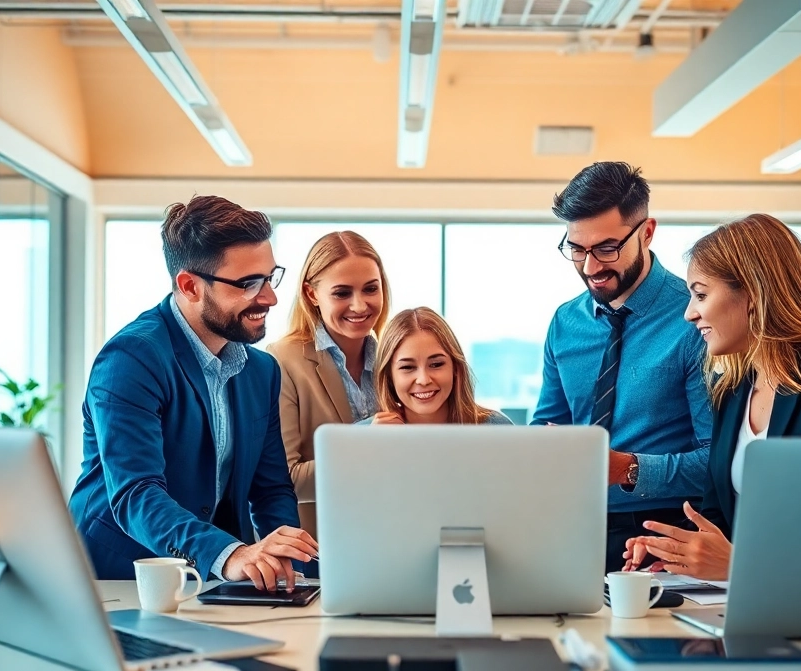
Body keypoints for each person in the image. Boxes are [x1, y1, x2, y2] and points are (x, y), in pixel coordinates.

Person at [623, 213, 801, 580]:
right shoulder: (733, 390)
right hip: (751, 601)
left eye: (701, 295)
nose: (689, 314)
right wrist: (675, 549)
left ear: (753, 294)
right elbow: (719, 522)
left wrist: (742, 565)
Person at [70, 195, 317, 590]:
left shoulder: (262, 370)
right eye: (249, 283)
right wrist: (233, 554)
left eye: (270, 277)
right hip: (115, 580)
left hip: (205, 580)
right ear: (189, 286)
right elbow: (136, 493)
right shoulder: (131, 358)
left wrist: (292, 569)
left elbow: (270, 489)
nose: (269, 297)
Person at [533, 162, 712, 573]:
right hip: (572, 527)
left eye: (607, 248)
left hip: (664, 532)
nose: (591, 267)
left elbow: (717, 461)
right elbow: (547, 433)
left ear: (647, 232)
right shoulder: (565, 323)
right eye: (577, 249)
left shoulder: (697, 318)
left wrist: (628, 469)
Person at [267, 231, 391, 537]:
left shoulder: (394, 357)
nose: (360, 306)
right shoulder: (283, 361)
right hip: (322, 552)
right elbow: (285, 479)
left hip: (393, 536)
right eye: (342, 293)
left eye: (370, 289)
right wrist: (361, 442)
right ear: (312, 294)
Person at [370, 307, 512, 426]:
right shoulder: (366, 434)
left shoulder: (496, 427)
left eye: (436, 364)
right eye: (408, 367)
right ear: (389, 376)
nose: (424, 380)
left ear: (455, 368)